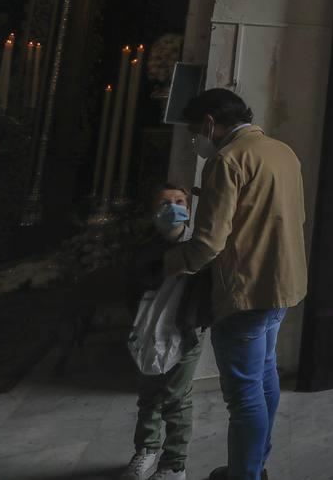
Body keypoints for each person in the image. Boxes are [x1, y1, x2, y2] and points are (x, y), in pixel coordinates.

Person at [165, 89, 306, 480]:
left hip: (245, 291)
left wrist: (170, 261)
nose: (197, 141)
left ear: (210, 123)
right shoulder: (283, 151)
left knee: (244, 396)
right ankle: (255, 465)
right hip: (283, 284)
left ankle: (243, 474)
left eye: (196, 131)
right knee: (265, 377)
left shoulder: (227, 159)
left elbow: (209, 243)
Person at [120, 184, 210, 480]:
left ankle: (174, 464)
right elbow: (134, 284)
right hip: (147, 329)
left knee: (176, 398)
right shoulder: (143, 247)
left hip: (184, 331)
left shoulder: (200, 245)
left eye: (180, 201)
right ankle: (145, 450)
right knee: (148, 396)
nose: (173, 206)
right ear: (154, 210)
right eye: (166, 202)